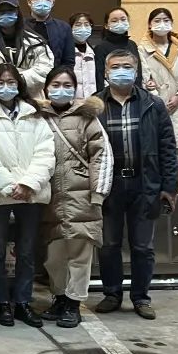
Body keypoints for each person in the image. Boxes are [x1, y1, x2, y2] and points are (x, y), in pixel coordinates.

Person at [94, 49, 178, 320]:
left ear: (136, 71)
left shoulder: (153, 105)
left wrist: (169, 187)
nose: (121, 71)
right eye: (115, 66)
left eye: (127, 66)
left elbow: (168, 148)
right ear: (105, 72)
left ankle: (141, 297)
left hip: (144, 185)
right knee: (109, 244)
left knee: (143, 246)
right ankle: (112, 293)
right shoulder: (95, 105)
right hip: (109, 186)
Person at [0, 64, 55, 328]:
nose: (6, 87)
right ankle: (2, 303)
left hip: (31, 193)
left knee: (27, 250)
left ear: (19, 85)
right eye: (0, 82)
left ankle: (22, 302)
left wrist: (29, 183)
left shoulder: (35, 115)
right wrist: (10, 186)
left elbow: (46, 152)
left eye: (11, 82)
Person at [38, 67, 113, 329]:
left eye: (67, 85)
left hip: (83, 197)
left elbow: (102, 156)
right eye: (56, 84)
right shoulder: (38, 116)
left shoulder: (87, 117)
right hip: (49, 198)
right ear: (46, 88)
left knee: (80, 255)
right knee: (54, 255)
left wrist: (98, 193)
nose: (61, 89)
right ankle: (59, 297)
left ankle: (73, 302)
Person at [139, 8, 178, 150]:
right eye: (157, 20)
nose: (162, 24)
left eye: (166, 20)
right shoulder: (142, 49)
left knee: (177, 151)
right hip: (154, 103)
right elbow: (143, 76)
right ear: (149, 24)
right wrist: (156, 97)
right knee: (155, 148)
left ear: (172, 23)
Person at [25, 0, 74, 69]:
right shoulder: (21, 26)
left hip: (55, 75)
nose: (43, 1)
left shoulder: (63, 28)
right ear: (29, 2)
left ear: (53, 3)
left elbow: (68, 62)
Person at [94, 7, 144, 92]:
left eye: (123, 19)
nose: (120, 23)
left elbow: (138, 72)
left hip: (134, 92)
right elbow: (99, 77)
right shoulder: (101, 47)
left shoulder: (132, 44)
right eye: (114, 21)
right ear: (106, 25)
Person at [69, 12, 98, 99]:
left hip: (91, 100)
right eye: (78, 25)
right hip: (72, 100)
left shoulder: (94, 52)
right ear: (71, 28)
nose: (83, 28)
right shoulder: (66, 51)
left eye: (86, 25)